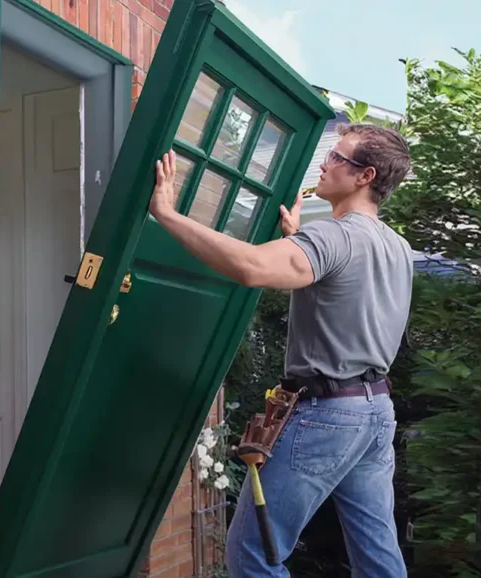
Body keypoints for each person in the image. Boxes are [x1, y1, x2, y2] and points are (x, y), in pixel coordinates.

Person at [148, 122, 413, 577]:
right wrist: (296, 236)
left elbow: (251, 267)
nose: (326, 164)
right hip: (375, 412)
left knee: (254, 551)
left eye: (338, 158)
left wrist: (168, 214)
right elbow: (345, 287)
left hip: (327, 416)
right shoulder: (396, 246)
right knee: (377, 553)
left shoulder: (334, 239)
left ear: (364, 176)